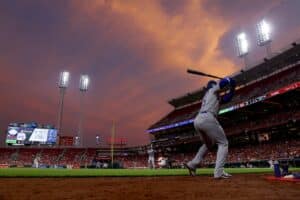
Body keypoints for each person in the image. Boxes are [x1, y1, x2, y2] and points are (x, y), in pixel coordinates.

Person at [184, 77, 236, 179]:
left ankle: (193, 164)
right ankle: (218, 172)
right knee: (223, 143)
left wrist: (233, 89)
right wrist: (229, 80)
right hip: (208, 118)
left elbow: (227, 98)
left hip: (198, 120)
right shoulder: (212, 89)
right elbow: (222, 83)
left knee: (208, 144)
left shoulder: (213, 96)